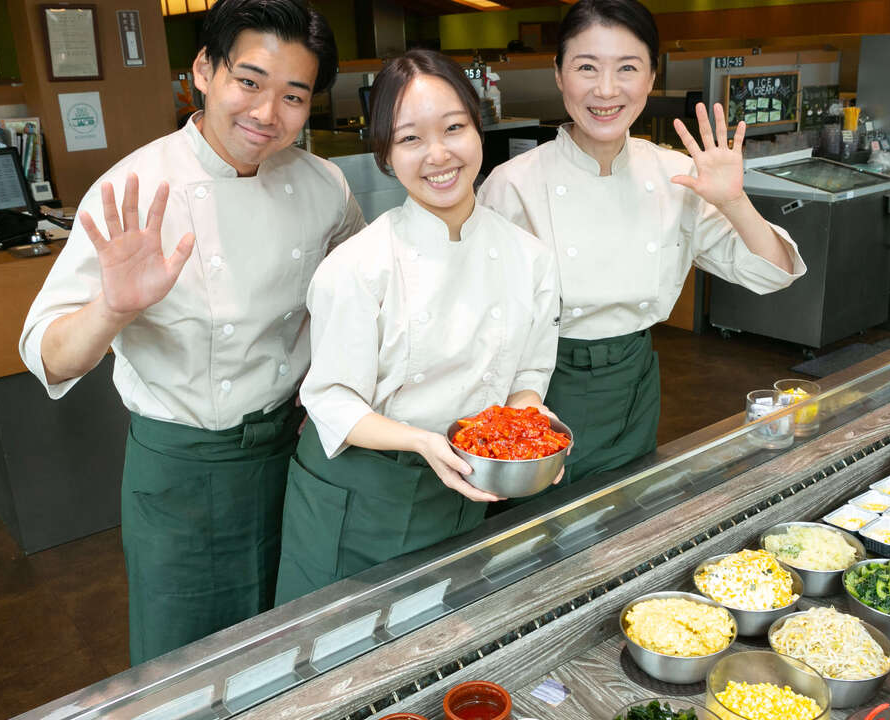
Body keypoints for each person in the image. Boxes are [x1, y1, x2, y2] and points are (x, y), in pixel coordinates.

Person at [18, 0, 365, 665]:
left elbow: (353, 296)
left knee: (291, 643)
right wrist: (113, 309)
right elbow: (47, 356)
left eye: (293, 95)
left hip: (295, 454)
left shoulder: (323, 185)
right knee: (189, 664)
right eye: (250, 82)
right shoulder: (136, 187)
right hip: (183, 474)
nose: (267, 113)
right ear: (204, 71)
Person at [478, 0, 805, 498]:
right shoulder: (513, 184)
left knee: (624, 514)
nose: (605, 90)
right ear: (559, 75)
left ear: (651, 77)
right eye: (586, 67)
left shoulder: (673, 174)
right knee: (540, 535)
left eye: (627, 68)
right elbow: (481, 320)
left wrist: (735, 201)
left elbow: (774, 273)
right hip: (540, 387)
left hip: (635, 378)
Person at [274, 49, 562, 604]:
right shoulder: (359, 266)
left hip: (466, 484)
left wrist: (527, 429)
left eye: (454, 128)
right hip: (362, 491)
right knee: (336, 659)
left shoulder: (529, 257)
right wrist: (423, 442)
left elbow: (529, 369)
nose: (438, 155)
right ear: (384, 154)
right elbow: (332, 399)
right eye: (410, 139)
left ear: (479, 130)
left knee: (439, 639)